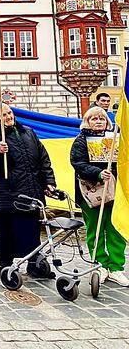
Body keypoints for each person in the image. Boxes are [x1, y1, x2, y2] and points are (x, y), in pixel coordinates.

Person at [0, 102, 57, 277]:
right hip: (8, 195)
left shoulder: (28, 133)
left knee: (31, 230)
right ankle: (6, 264)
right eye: (4, 115)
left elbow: (43, 160)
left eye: (9, 113)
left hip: (32, 192)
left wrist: (48, 182)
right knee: (7, 232)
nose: (8, 117)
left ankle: (34, 263)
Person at [70, 106, 128, 286]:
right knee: (95, 230)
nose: (98, 121)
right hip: (92, 193)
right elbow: (77, 162)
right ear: (87, 121)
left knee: (115, 229)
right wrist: (97, 173)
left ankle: (116, 267)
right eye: (94, 119)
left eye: (101, 119)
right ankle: (99, 264)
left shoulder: (115, 140)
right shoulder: (81, 141)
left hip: (115, 191)